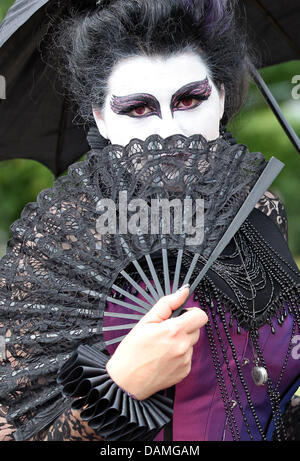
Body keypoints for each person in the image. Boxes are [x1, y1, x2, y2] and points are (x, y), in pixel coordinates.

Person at [0, 0, 299, 442]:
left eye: (189, 99)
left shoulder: (259, 208)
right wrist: (120, 386)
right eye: (138, 109)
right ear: (101, 118)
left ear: (219, 97)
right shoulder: (63, 247)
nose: (169, 131)